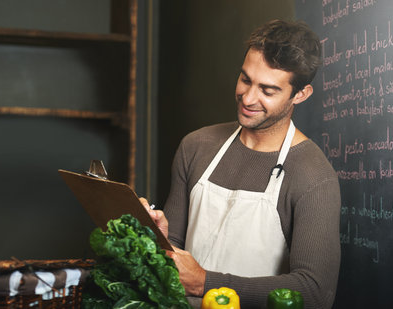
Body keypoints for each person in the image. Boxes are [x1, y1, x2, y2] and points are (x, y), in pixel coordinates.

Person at [141, 19, 341, 309]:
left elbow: (314, 291)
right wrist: (159, 240)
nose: (248, 98)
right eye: (246, 79)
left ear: (300, 94)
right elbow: (175, 252)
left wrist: (205, 282)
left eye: (268, 91)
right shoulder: (196, 146)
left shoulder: (313, 175)